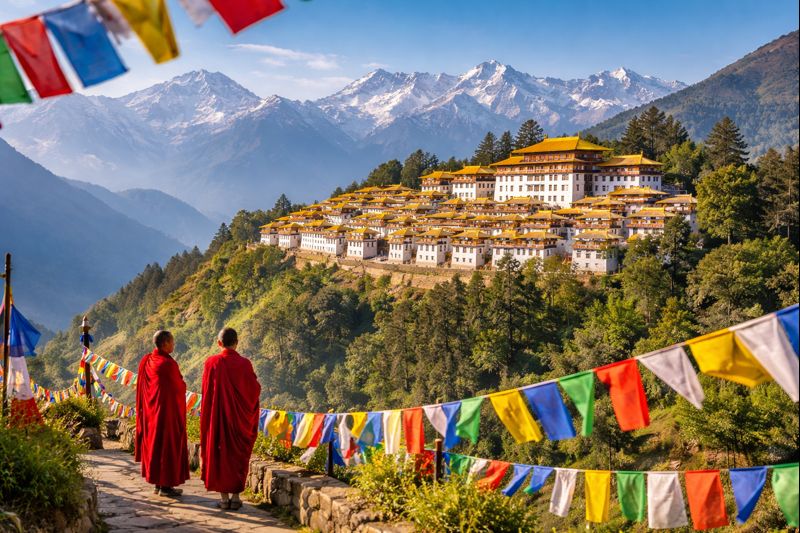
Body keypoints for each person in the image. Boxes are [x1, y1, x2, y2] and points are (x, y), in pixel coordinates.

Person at [200, 327, 261, 510]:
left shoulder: (211, 363)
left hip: (218, 421)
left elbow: (207, 394)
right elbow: (254, 390)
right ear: (237, 342)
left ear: (219, 343)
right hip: (239, 422)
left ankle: (224, 499)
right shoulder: (245, 364)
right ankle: (236, 497)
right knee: (237, 458)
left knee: (220, 457)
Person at [135, 330, 190, 498]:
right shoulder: (167, 364)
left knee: (155, 447)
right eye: (172, 342)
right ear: (165, 343)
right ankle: (165, 487)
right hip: (166, 414)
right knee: (167, 447)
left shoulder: (147, 361)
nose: (174, 345)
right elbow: (179, 387)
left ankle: (158, 484)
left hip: (151, 414)